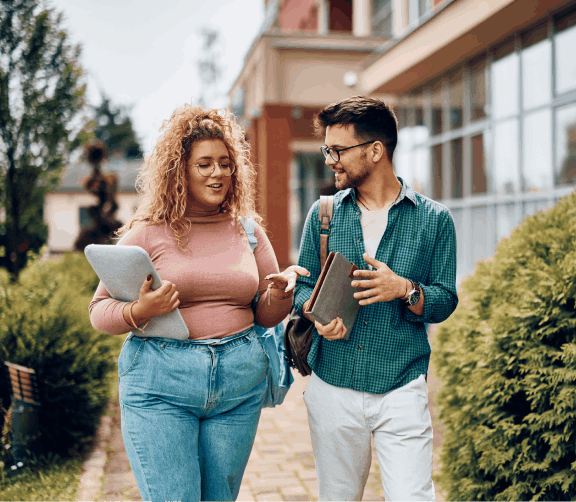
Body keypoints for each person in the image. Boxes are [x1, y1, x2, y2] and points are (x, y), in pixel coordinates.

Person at [88, 105, 307, 502]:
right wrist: (141, 311)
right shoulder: (148, 232)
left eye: (225, 163)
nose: (218, 173)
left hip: (238, 383)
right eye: (204, 163)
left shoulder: (248, 230)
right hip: (161, 383)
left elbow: (265, 314)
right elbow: (99, 311)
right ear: (180, 170)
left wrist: (280, 296)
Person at [293, 96, 458, 501]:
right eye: (327, 149)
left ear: (375, 150)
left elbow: (445, 299)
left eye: (338, 150)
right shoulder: (324, 214)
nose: (330, 159)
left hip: (401, 386)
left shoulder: (434, 220)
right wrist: (316, 318)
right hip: (333, 385)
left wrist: (405, 289)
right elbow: (302, 288)